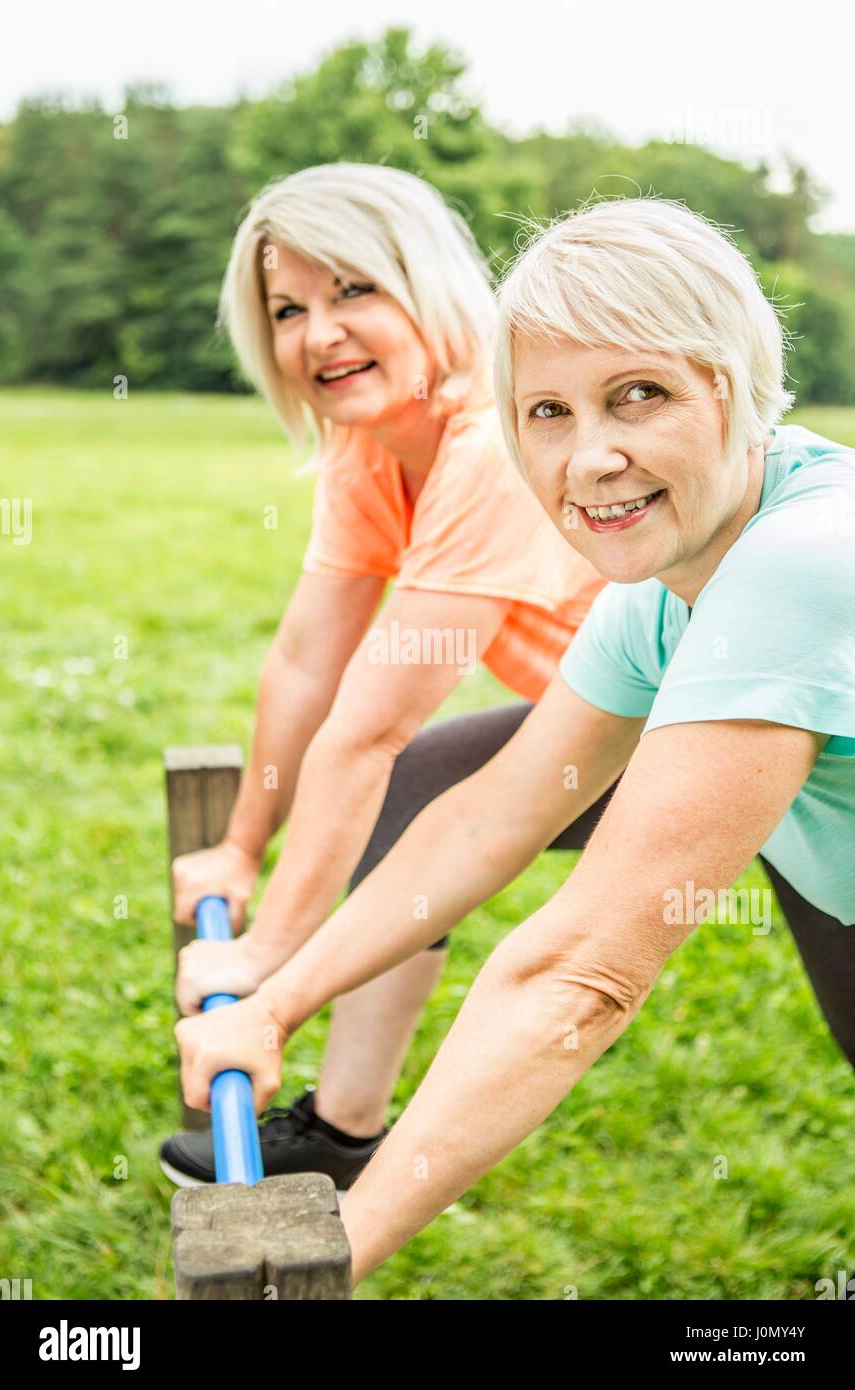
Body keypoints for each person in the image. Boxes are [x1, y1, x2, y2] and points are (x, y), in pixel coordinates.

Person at [175, 195, 855, 1289]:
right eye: (545, 411)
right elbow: (489, 815)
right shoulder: (659, 584)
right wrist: (273, 1000)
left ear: (728, 387)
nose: (589, 458)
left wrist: (330, 1251)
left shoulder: (797, 561)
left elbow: (579, 973)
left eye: (638, 394)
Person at [159, 162, 606, 1187]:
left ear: (428, 283)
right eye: (288, 308)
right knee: (413, 799)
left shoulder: (494, 443)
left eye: (354, 288)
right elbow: (308, 658)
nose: (319, 333)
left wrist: (267, 950)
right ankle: (344, 1131)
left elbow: (369, 728)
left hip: (757, 724)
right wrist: (239, 848)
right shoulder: (372, 446)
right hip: (616, 717)